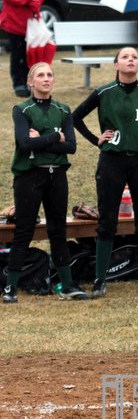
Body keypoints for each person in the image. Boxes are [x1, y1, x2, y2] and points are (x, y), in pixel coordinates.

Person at [72, 47, 138, 298]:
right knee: (107, 220)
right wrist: (96, 139)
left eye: (134, 57)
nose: (130, 60)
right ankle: (100, 279)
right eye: (125, 57)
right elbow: (76, 117)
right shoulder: (104, 92)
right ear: (116, 65)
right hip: (112, 162)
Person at [2, 62, 88, 303]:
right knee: (24, 230)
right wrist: (55, 137)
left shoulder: (63, 109)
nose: (46, 78)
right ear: (31, 82)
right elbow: (25, 144)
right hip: (29, 176)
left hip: (57, 175)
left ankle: (67, 285)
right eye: (40, 75)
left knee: (58, 230)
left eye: (50, 74)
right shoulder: (22, 109)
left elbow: (70, 147)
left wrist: (42, 140)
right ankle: (10, 288)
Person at [0, 0, 45, 97]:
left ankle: (29, 81)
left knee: (30, 55)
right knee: (17, 54)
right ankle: (18, 83)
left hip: (32, 23)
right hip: (13, 21)